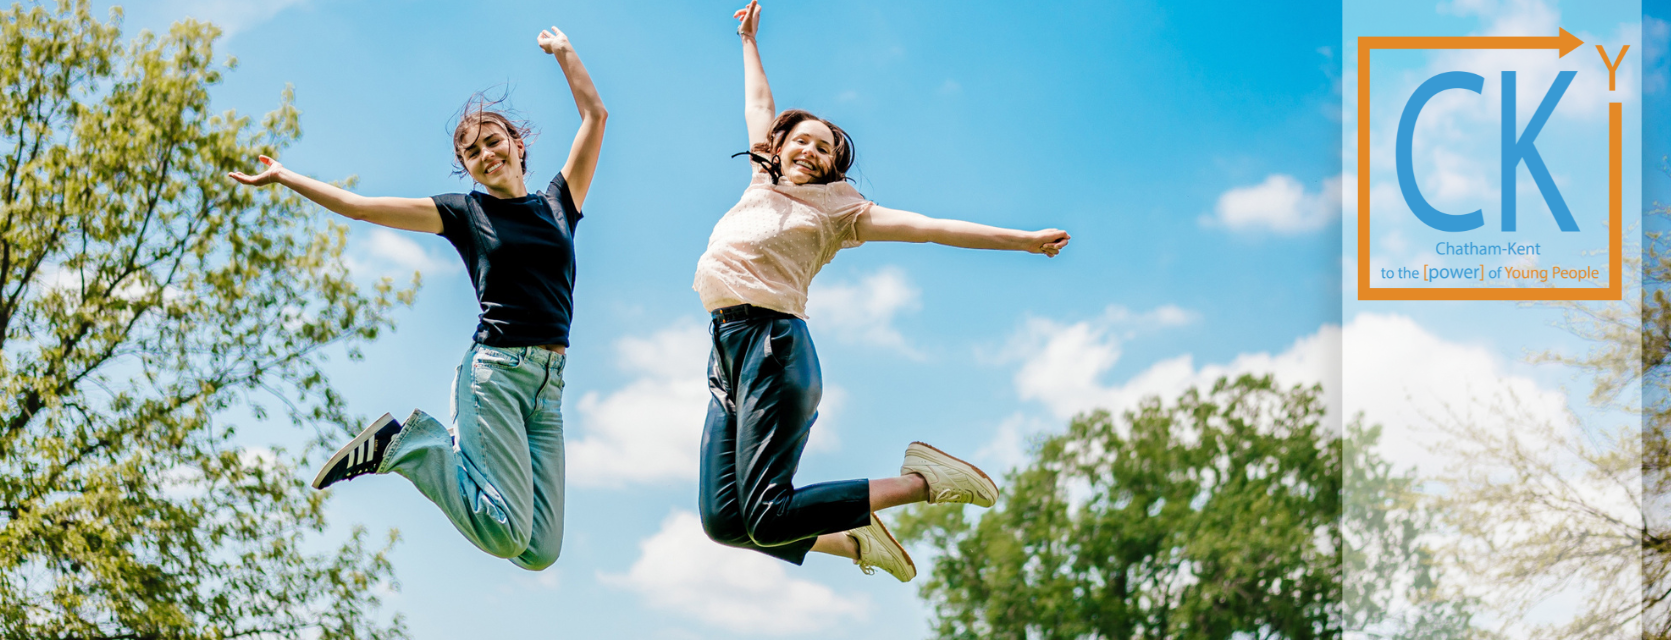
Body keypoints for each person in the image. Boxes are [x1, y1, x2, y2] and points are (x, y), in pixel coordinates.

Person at [693, 1, 1072, 582]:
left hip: (775, 347)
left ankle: (925, 481)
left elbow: (931, 228)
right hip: (725, 354)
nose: (810, 151)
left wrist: (1022, 240)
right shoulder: (761, 177)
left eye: (825, 149)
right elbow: (758, 105)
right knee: (724, 522)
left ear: (833, 168)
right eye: (802, 141)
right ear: (780, 144)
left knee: (766, 516)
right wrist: (748, 42)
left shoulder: (843, 211)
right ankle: (854, 540)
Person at [227, 26, 605, 571]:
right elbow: (359, 207)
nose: (485, 154)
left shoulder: (559, 203)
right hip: (496, 373)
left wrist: (565, 54)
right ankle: (405, 445)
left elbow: (595, 117)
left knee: (539, 550)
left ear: (518, 145)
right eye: (471, 152)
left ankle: (420, 449)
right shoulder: (464, 213)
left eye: (492, 141)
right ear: (467, 168)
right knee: (504, 535)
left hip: (549, 388)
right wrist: (286, 177)